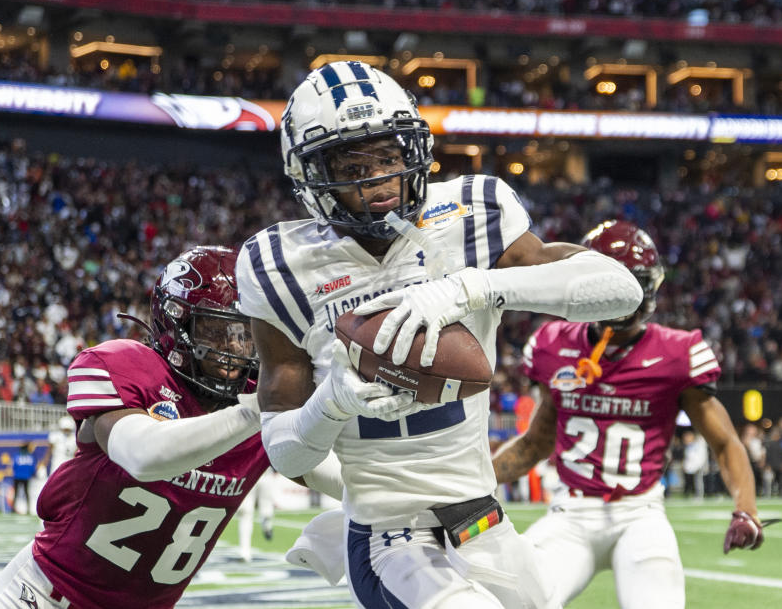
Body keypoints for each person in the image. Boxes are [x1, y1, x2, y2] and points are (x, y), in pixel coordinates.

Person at [239, 61, 643, 608]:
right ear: (309, 173)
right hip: (390, 533)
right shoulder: (280, 264)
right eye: (350, 162)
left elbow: (621, 290)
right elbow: (286, 454)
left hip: (482, 517)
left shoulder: (473, 212)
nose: (377, 178)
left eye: (388, 156)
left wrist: (476, 288)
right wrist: (331, 403)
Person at [0, 246, 342, 609]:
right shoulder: (128, 366)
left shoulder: (258, 402)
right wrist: (258, 412)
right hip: (45, 596)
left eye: (245, 332)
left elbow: (346, 480)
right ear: (178, 323)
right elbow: (143, 456)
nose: (234, 347)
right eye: (218, 331)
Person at [491, 220, 763, 609]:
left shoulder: (676, 353)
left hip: (640, 515)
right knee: (514, 602)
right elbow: (537, 441)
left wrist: (747, 510)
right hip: (571, 512)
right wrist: (476, 483)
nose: (624, 293)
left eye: (633, 282)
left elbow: (725, 443)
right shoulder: (553, 344)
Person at [236, 470, 276, 562]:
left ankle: (267, 525)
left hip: (265, 473)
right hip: (249, 474)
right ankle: (244, 552)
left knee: (266, 508)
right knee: (245, 512)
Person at [11, 443, 36, 515]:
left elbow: (14, 466)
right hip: (26, 476)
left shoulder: (17, 455)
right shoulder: (30, 456)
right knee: (26, 493)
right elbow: (32, 467)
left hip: (17, 476)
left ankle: (13, 509)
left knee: (16, 493)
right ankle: (28, 509)